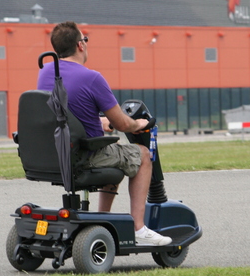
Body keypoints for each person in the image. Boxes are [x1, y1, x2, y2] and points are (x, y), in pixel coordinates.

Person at [37, 21, 172, 246]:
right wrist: (138, 124)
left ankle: (103, 220)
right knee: (141, 155)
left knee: (116, 154)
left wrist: (98, 121)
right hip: (83, 156)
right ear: (80, 45)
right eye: (85, 40)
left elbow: (63, 114)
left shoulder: (47, 71)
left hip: (54, 154)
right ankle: (139, 228)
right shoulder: (92, 78)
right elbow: (123, 123)